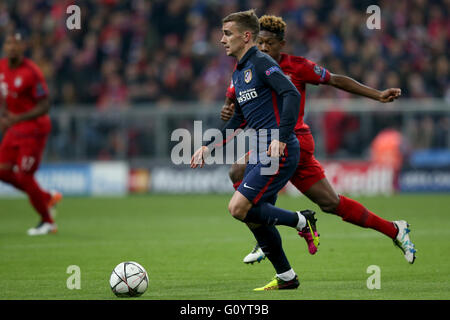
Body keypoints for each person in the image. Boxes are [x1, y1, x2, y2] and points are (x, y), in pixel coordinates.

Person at [221, 15, 416, 265]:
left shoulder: (297, 66)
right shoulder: (249, 67)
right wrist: (227, 110)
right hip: (272, 143)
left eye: (269, 43)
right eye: (260, 43)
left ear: (282, 44)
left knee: (241, 175)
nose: (264, 47)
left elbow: (335, 79)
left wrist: (377, 95)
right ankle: (395, 229)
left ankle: (268, 233)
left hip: (294, 142)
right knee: (331, 203)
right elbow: (235, 103)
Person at [191, 10, 318, 291]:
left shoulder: (262, 63)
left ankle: (301, 220)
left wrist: (282, 137)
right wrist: (207, 145)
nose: (221, 39)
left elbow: (291, 93)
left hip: (277, 151)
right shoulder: (239, 73)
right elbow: (237, 119)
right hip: (261, 150)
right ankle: (286, 276)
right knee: (254, 215)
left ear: (246, 36)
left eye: (227, 33)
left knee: (238, 208)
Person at [0, 32, 62, 236]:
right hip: (15, 128)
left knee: (25, 176)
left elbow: (45, 105)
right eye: (9, 42)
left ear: (23, 47)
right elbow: (4, 97)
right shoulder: (1, 67)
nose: (12, 47)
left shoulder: (32, 72)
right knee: (2, 171)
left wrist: (17, 118)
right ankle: (45, 197)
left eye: (16, 44)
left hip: (34, 129)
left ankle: (48, 222)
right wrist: (4, 118)